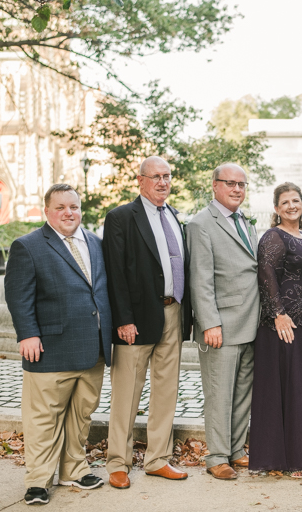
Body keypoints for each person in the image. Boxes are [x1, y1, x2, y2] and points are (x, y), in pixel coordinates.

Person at [5, 184, 113, 505]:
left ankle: (74, 470)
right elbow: (18, 295)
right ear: (47, 211)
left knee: (81, 414)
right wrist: (27, 334)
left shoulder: (96, 243)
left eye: (74, 207)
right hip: (49, 347)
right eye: (61, 207)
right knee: (43, 419)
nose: (69, 213)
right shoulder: (28, 246)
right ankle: (39, 480)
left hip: (92, 347)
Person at [103, 156, 192, 488]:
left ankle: (157, 459)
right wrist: (123, 319)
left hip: (173, 312)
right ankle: (118, 462)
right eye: (155, 176)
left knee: (166, 390)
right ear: (140, 181)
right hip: (136, 320)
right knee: (127, 392)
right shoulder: (121, 217)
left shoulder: (173, 216)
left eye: (167, 176)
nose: (162, 182)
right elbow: (115, 273)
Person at [187, 163, 259, 480]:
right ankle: (216, 456)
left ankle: (236, 449)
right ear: (214, 185)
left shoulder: (245, 222)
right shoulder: (201, 223)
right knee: (219, 393)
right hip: (222, 326)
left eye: (241, 184)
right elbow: (200, 280)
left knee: (243, 392)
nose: (236, 189)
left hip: (251, 322)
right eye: (230, 183)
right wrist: (209, 323)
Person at [248, 182, 302, 478]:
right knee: (287, 389)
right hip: (285, 325)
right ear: (277, 208)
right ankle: (287, 459)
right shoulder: (274, 236)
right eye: (285, 202)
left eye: (296, 200)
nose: (292, 205)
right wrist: (278, 314)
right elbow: (266, 273)